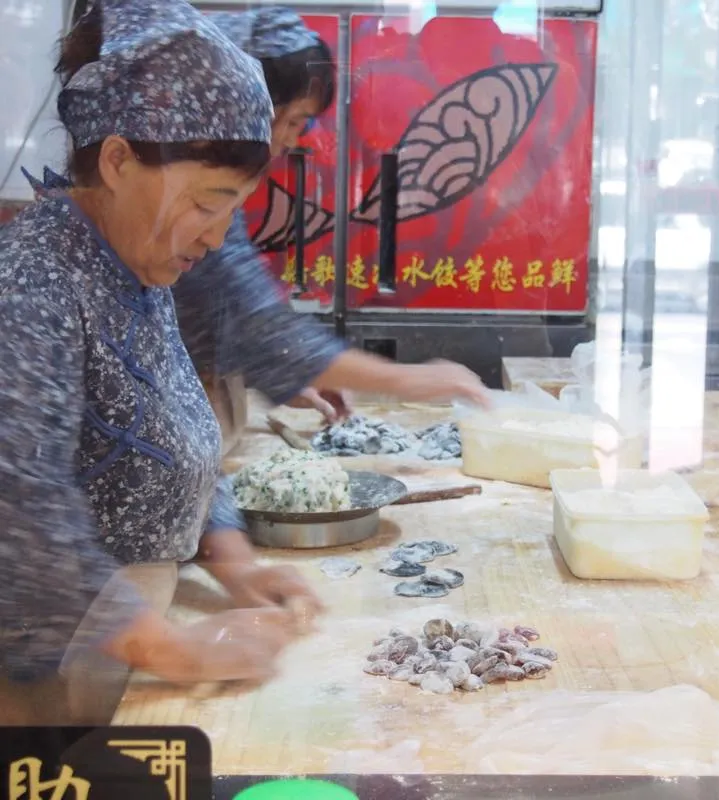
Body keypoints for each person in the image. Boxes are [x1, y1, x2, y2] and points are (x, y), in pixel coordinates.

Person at [0, 0, 315, 725]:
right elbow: (19, 497)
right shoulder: (35, 279)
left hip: (133, 636)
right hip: (48, 683)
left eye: (231, 209)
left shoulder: (137, 268)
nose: (214, 238)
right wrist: (172, 650)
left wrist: (232, 557)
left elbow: (179, 429)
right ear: (117, 160)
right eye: (207, 202)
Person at [171, 7, 490, 454]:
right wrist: (410, 380)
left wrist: (290, 380)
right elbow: (254, 322)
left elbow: (226, 316)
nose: (294, 139)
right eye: (296, 120)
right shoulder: (187, 190)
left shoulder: (217, 183)